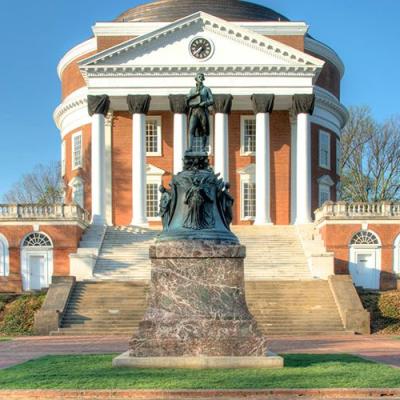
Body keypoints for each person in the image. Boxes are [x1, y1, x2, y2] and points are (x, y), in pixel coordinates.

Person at [186, 73, 214, 153]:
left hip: (202, 110)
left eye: (202, 77)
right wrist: (193, 96)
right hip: (194, 111)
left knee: (204, 129)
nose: (200, 78)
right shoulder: (192, 90)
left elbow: (212, 100)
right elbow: (187, 101)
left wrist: (205, 103)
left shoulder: (206, 89)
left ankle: (203, 148)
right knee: (191, 129)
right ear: (196, 79)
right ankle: (190, 148)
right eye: (199, 77)